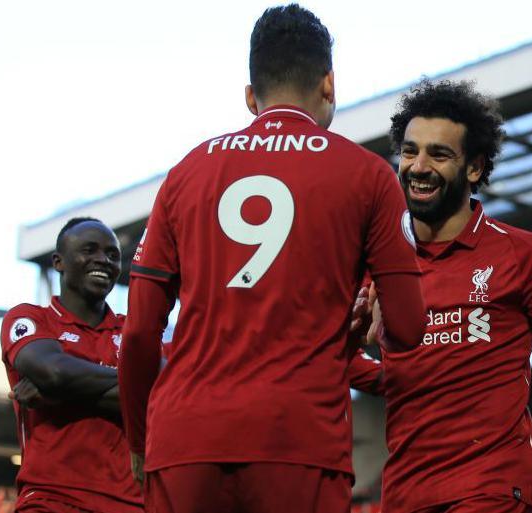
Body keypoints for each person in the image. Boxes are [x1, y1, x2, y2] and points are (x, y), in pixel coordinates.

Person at [117, 5, 425, 513]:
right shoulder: (367, 176)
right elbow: (410, 327)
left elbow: (139, 332)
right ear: (329, 83)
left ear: (248, 96)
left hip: (184, 441)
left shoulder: (185, 173)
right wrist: (362, 324)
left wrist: (137, 439)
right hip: (299, 440)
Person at [348, 79, 532, 513]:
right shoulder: (378, 263)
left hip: (490, 485)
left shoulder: (523, 253)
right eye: (410, 151)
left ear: (474, 167)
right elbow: (340, 360)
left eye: (439, 153)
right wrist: (369, 359)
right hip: (405, 491)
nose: (418, 166)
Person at [0, 217, 142, 513]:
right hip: (51, 500)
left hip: (131, 505)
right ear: (58, 262)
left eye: (112, 255)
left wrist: (64, 390)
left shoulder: (135, 332)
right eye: (89, 250)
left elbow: (163, 392)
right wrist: (129, 383)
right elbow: (54, 371)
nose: (103, 260)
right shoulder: (29, 319)